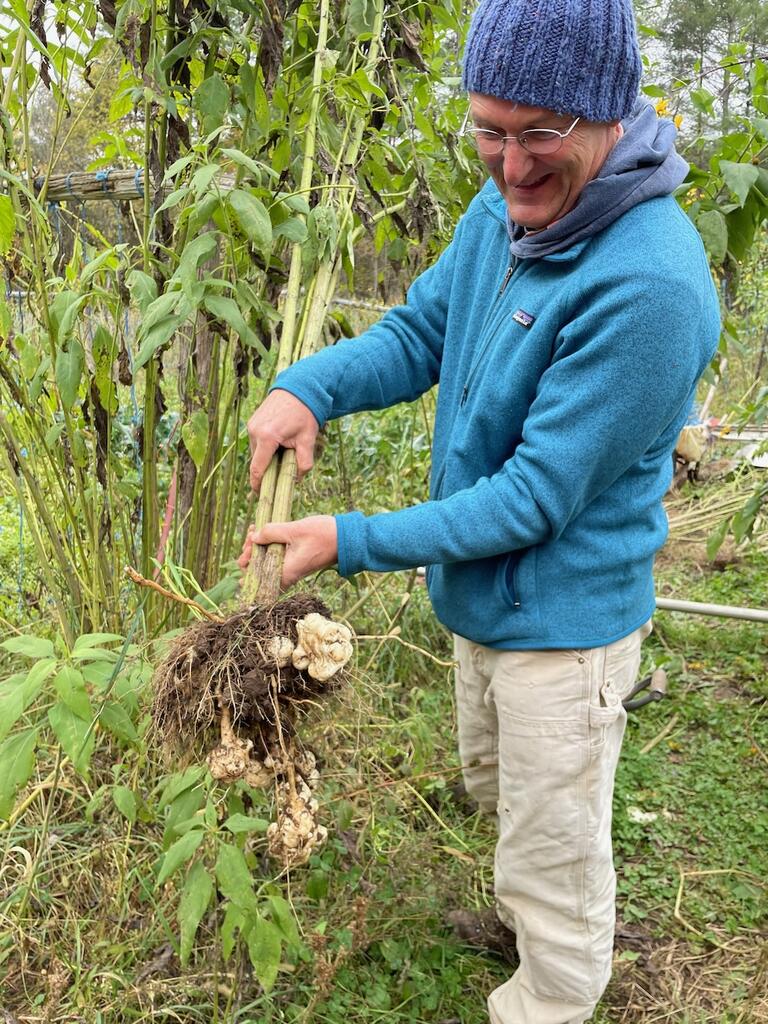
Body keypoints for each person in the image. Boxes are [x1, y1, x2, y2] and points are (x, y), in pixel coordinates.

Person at [239, 1, 721, 1020]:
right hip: (484, 600)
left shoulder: (651, 285)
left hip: (564, 629)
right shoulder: (505, 211)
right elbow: (419, 332)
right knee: (506, 793)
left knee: (557, 837)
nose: (509, 165)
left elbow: (535, 497)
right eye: (488, 132)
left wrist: (352, 540)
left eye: (539, 133)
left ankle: (550, 989)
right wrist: (308, 385)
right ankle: (526, 914)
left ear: (608, 112)